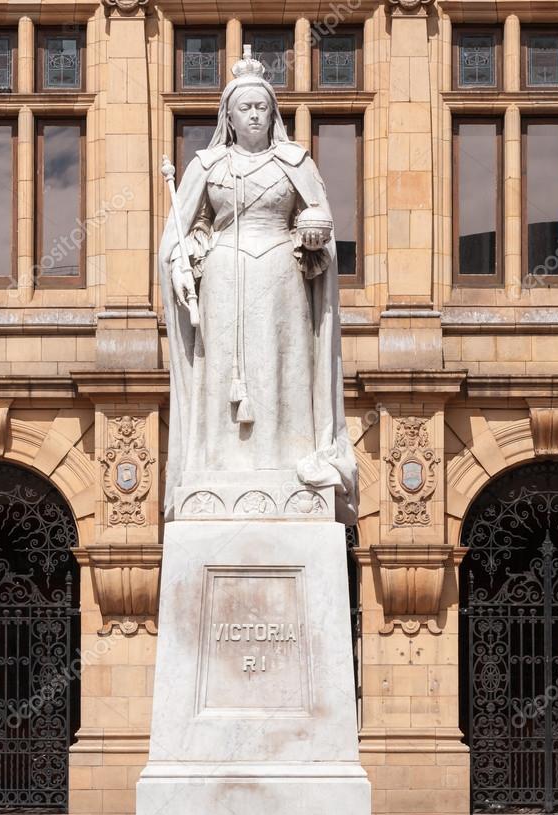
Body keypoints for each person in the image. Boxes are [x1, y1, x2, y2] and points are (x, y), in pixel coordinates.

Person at [159, 46, 358, 524]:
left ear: (273, 113)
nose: (254, 115)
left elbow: (321, 222)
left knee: (284, 367)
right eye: (244, 108)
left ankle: (286, 460)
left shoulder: (297, 162)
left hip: (282, 278)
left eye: (261, 107)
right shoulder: (205, 167)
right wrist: (184, 259)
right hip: (224, 278)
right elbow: (180, 232)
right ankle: (218, 464)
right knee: (221, 370)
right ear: (228, 116)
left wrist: (315, 233)